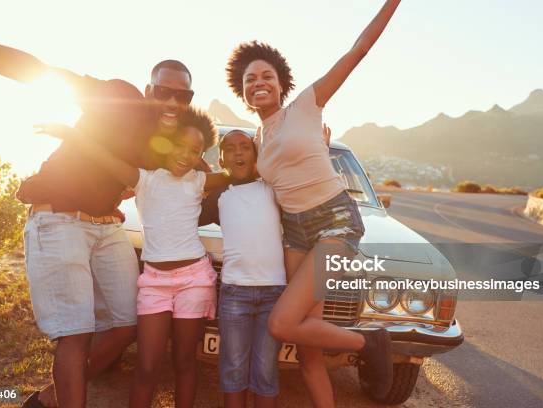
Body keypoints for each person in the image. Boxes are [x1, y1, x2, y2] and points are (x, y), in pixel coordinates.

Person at [0, 31, 200, 408]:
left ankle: (50, 400)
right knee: (76, 334)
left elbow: (209, 175)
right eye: (163, 92)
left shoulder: (169, 143)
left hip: (107, 227)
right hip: (58, 219)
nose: (171, 101)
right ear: (147, 91)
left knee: (126, 324)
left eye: (182, 96)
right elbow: (36, 70)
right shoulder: (119, 97)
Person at [224, 1, 401, 406]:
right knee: (309, 350)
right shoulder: (256, 140)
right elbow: (242, 177)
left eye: (266, 75)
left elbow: (357, 51)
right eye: (250, 79)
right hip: (295, 233)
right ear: (243, 89)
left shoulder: (306, 104)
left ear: (280, 82)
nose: (258, 82)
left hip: (335, 222)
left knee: (283, 323)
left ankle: (369, 341)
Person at [36, 107, 229, 408]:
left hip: (194, 280)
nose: (186, 154)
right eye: (181, 145)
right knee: (147, 366)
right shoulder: (144, 179)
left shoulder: (199, 181)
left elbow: (238, 173)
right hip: (154, 283)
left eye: (196, 150)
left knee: (185, 363)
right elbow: (102, 156)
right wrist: (71, 133)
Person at [199, 130, 286, 408]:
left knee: (266, 371)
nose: (238, 152)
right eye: (230, 148)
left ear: (256, 154)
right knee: (233, 369)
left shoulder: (272, 189)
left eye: (245, 147)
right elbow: (184, 211)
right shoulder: (219, 196)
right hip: (235, 293)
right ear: (221, 158)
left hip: (274, 293)